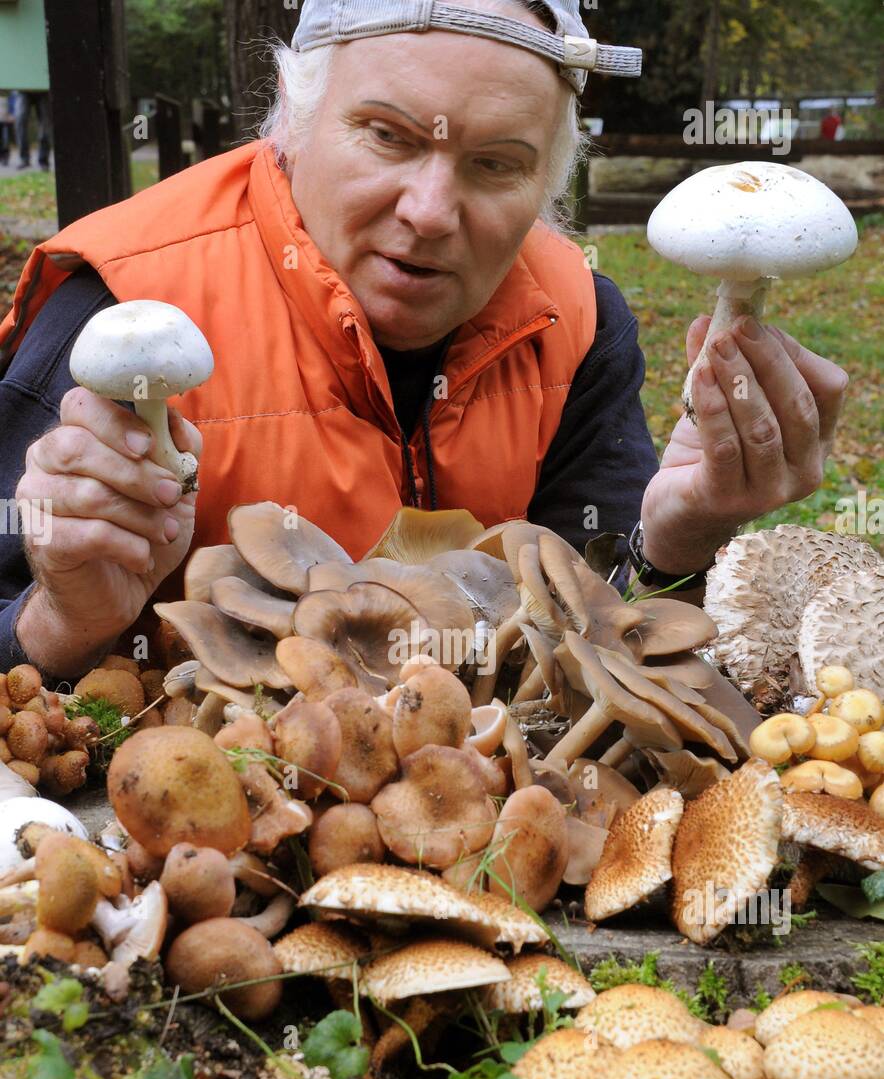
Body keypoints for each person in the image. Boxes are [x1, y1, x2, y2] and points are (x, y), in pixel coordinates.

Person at [0, 0, 850, 682]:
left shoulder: (577, 320)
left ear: (549, 184)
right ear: (289, 124)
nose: (431, 212)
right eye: (387, 135)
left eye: (496, 163)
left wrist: (679, 538)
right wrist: (66, 620)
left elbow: (607, 628)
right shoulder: (121, 310)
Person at [13, 90, 52, 171]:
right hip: (22, 89)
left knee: (46, 123)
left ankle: (43, 160)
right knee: (20, 120)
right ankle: (24, 159)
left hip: (43, 90)